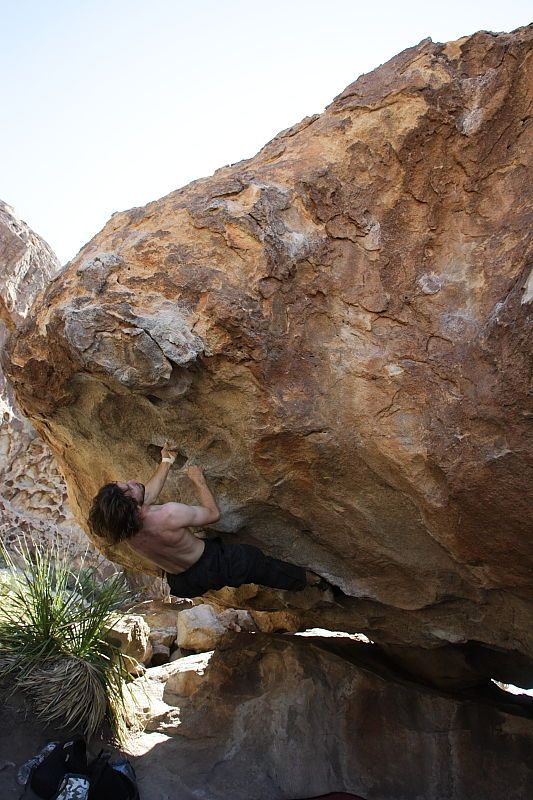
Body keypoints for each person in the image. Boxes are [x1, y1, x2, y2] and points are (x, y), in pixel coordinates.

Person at [89, 444, 324, 598]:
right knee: (255, 562)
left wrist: (167, 461)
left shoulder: (123, 528)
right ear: (133, 506)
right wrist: (198, 480)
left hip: (182, 582)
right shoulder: (169, 514)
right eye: (127, 487)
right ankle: (310, 580)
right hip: (210, 564)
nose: (131, 480)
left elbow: (145, 496)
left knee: (234, 568)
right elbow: (212, 514)